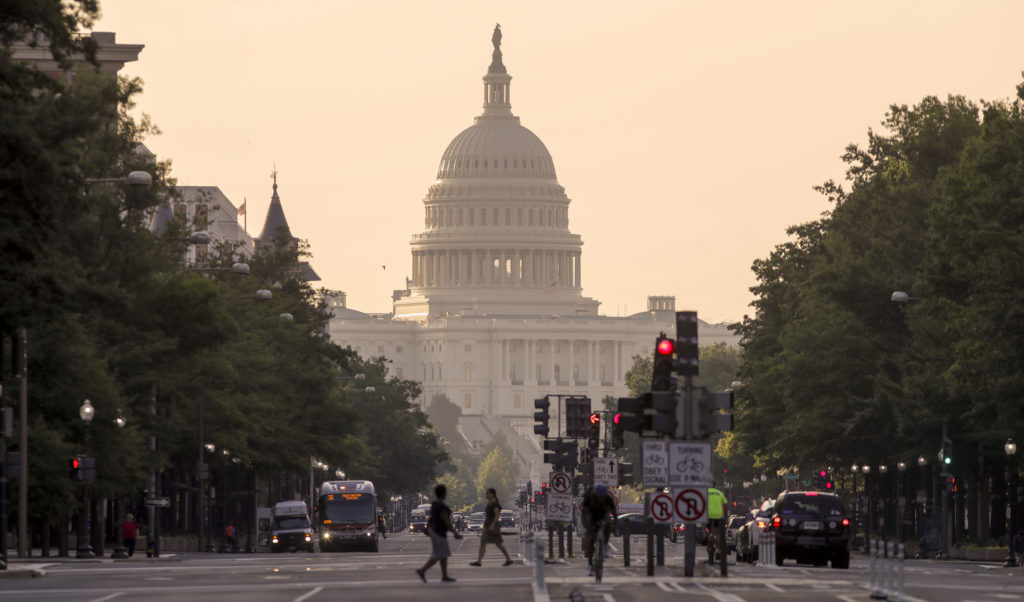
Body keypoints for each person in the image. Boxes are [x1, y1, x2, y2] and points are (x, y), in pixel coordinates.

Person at [416, 484, 463, 583]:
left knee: (443, 554)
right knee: (438, 554)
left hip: (434, 531)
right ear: (444, 493)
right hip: (439, 532)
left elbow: (431, 518)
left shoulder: (434, 504)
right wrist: (455, 532)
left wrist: (427, 528)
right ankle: (422, 570)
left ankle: (445, 575)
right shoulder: (442, 507)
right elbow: (446, 521)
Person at [471, 488, 514, 566]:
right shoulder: (491, 502)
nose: (487, 495)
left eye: (488, 493)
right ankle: (479, 561)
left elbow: (497, 515)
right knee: (487, 543)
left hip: (491, 527)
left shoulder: (494, 504)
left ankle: (508, 559)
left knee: (497, 544)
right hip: (488, 526)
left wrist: (493, 525)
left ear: (492, 494)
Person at [581, 483, 618, 575]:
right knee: (589, 540)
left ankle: (605, 544)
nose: (600, 499)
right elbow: (584, 513)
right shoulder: (589, 498)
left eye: (602, 497)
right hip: (592, 516)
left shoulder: (607, 497)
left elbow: (614, 512)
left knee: (609, 523)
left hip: (603, 515)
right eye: (599, 496)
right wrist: (586, 525)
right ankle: (590, 564)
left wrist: (615, 524)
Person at [706, 483, 728, 562]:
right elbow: (725, 504)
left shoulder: (705, 493)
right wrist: (725, 515)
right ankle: (718, 549)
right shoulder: (719, 493)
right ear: (715, 486)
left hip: (707, 516)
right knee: (718, 533)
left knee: (707, 529)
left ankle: (707, 536)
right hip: (718, 516)